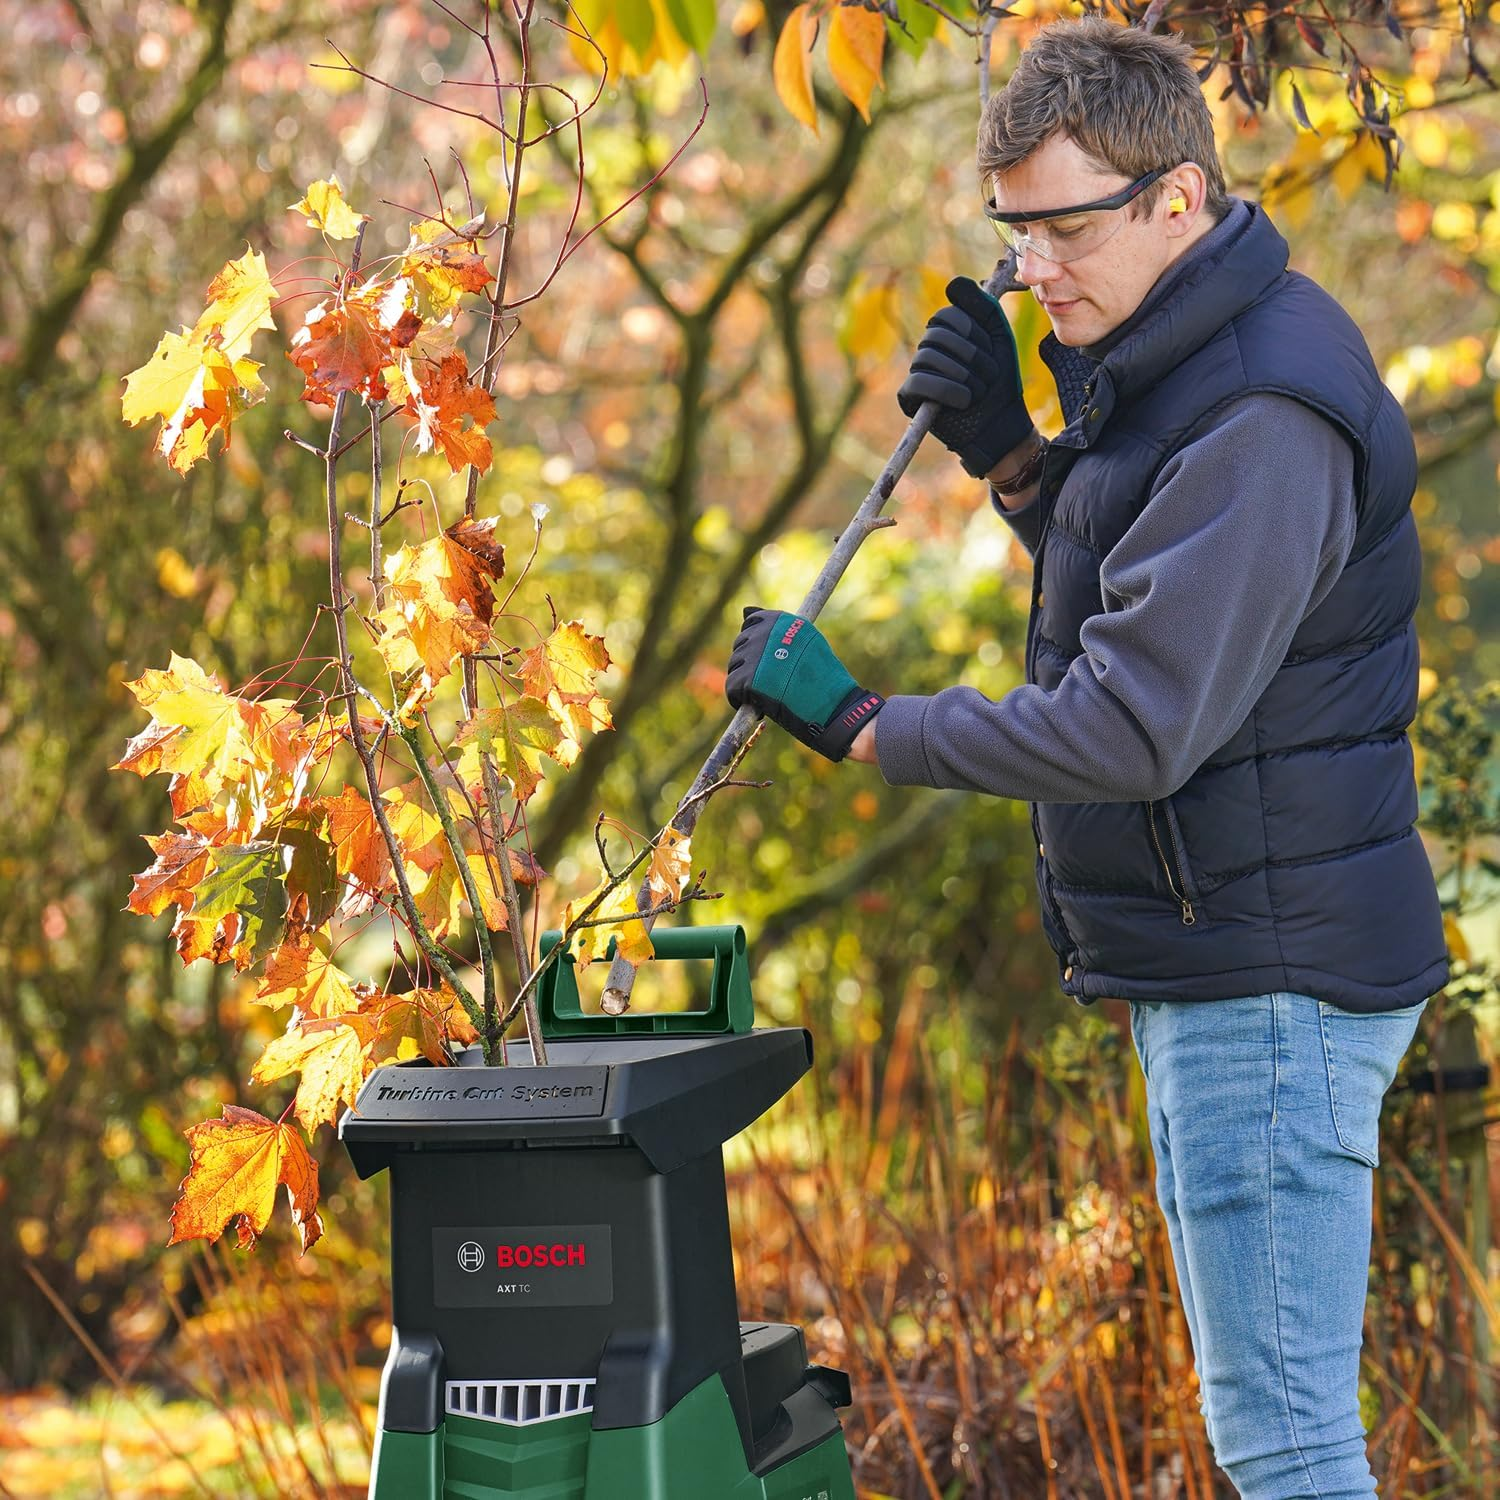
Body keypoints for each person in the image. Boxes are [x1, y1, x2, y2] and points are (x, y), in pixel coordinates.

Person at [722, 16, 1449, 1499]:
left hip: (1275, 984)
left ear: (1175, 198)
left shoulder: (1258, 410)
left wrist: (868, 726)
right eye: (1014, 237)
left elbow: (1132, 721)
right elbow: (1151, 590)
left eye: (1062, 231)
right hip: (1236, 970)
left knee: (1292, 1445)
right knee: (1276, 1433)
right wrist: (1012, 453)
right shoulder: (1177, 364)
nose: (1035, 271)